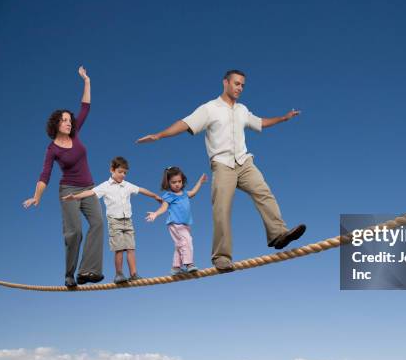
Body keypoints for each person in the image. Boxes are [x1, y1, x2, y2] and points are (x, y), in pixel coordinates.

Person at [137, 70, 306, 272]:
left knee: (264, 192)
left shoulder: (242, 110)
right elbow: (185, 123)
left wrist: (284, 118)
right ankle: (221, 257)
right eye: (236, 83)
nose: (239, 88)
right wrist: (159, 135)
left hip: (244, 162)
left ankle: (278, 234)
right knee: (222, 209)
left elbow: (260, 122)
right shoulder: (210, 109)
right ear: (225, 83)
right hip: (223, 164)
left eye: (242, 85)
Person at [23, 66, 104, 287]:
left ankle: (87, 271)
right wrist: (36, 196)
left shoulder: (76, 134)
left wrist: (86, 81)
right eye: (65, 120)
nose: (70, 123)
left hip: (88, 188)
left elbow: (85, 108)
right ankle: (69, 274)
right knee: (74, 232)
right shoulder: (52, 150)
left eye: (70, 120)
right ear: (56, 125)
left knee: (98, 223)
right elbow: (44, 175)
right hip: (68, 191)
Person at [62, 156, 162, 284]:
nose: (123, 175)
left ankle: (133, 274)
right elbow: (91, 192)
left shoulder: (127, 185)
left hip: (128, 221)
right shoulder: (106, 186)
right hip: (115, 222)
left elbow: (141, 190)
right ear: (112, 170)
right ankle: (119, 274)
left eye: (125, 173)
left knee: (131, 248)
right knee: (119, 248)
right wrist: (75, 196)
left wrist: (155, 196)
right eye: (120, 172)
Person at [146, 167, 207, 275]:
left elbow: (193, 192)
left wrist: (200, 182)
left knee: (180, 244)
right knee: (187, 241)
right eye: (174, 182)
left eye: (179, 181)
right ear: (168, 183)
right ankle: (189, 264)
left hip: (185, 224)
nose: (177, 184)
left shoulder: (185, 194)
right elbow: (163, 208)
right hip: (175, 224)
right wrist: (156, 213)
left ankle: (176, 267)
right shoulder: (169, 196)